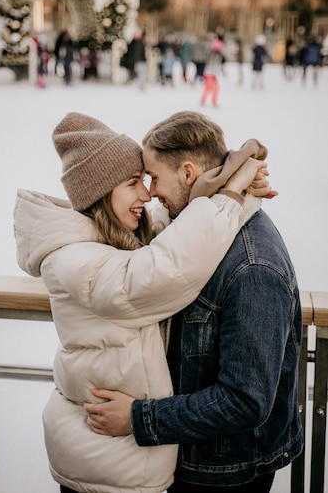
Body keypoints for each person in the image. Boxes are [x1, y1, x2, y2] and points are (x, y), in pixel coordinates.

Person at [14, 111, 272, 493]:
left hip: (116, 457)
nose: (148, 194)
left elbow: (172, 234)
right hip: (102, 463)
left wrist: (226, 182)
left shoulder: (110, 238)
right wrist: (229, 198)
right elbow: (164, 268)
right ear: (102, 192)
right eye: (134, 182)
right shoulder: (76, 260)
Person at [85, 111, 303, 493]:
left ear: (188, 174)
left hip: (224, 473)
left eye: (154, 177)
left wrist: (138, 418)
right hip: (190, 460)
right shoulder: (194, 231)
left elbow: (245, 401)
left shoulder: (253, 267)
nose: (151, 192)